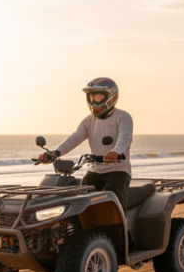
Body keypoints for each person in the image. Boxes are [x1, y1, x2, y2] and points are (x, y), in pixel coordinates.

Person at [39, 77, 133, 210]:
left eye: (98, 97)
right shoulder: (88, 121)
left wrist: (116, 152)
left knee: (114, 198)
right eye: (91, 97)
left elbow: (125, 138)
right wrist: (55, 153)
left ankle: (122, 230)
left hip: (117, 170)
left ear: (110, 96)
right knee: (81, 197)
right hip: (95, 169)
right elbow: (75, 138)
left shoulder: (123, 117)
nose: (94, 101)